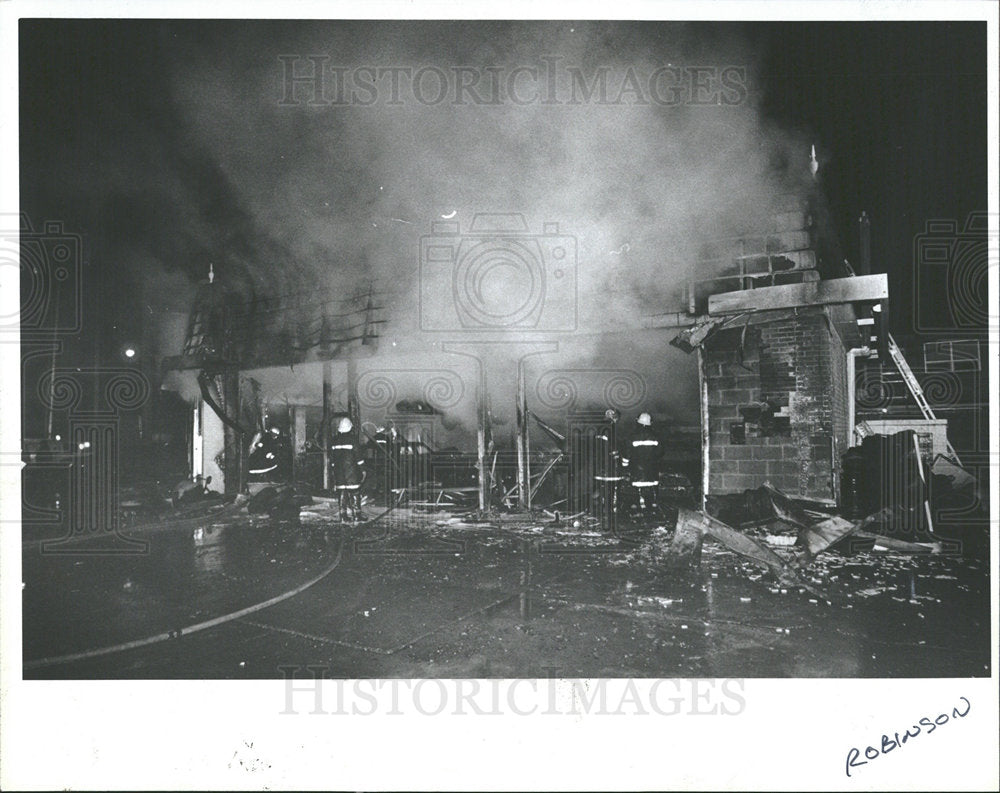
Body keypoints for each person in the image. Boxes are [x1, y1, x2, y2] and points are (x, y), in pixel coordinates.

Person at [329, 416, 366, 521]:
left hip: (338, 471)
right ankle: (357, 515)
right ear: (350, 428)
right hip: (351, 471)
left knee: (342, 492)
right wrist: (363, 469)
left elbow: (332, 458)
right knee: (355, 492)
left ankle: (343, 516)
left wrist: (333, 470)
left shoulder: (335, 441)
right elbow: (358, 457)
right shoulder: (353, 440)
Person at [624, 412, 661, 513]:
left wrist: (625, 463)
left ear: (638, 422)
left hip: (637, 467)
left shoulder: (632, 436)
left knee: (638, 485)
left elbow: (627, 451)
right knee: (652, 485)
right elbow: (660, 451)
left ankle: (640, 503)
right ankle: (654, 503)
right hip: (652, 467)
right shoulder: (655, 436)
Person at [593, 408, 624, 529]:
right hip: (610, 466)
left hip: (599, 466)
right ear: (614, 418)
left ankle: (600, 511)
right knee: (612, 489)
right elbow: (613, 448)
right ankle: (612, 513)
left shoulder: (598, 428)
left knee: (601, 489)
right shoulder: (611, 429)